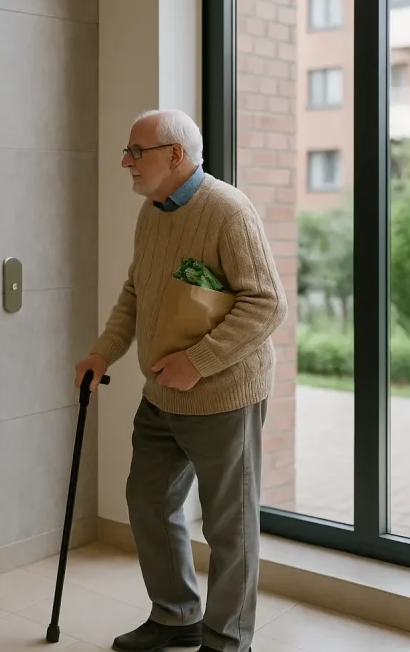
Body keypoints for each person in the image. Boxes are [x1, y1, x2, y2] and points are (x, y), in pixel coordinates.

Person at [75, 109, 287, 652]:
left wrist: (198, 362)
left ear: (175, 154)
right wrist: (104, 352)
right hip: (161, 394)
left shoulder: (228, 210)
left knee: (228, 526)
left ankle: (226, 638)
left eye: (135, 151)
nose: (125, 161)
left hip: (223, 395)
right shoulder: (153, 211)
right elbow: (136, 292)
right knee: (147, 502)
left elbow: (266, 305)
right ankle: (175, 617)